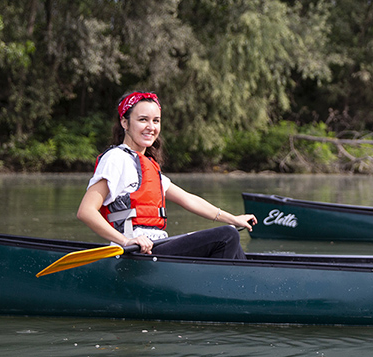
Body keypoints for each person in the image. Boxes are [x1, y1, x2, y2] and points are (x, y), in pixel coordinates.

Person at [77, 91, 256, 259]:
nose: (151, 127)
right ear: (125, 123)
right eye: (143, 120)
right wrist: (126, 241)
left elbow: (189, 200)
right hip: (134, 253)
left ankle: (244, 283)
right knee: (226, 236)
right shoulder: (116, 158)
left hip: (158, 246)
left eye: (156, 121)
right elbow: (86, 211)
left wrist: (234, 219)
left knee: (232, 237)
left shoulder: (147, 165)